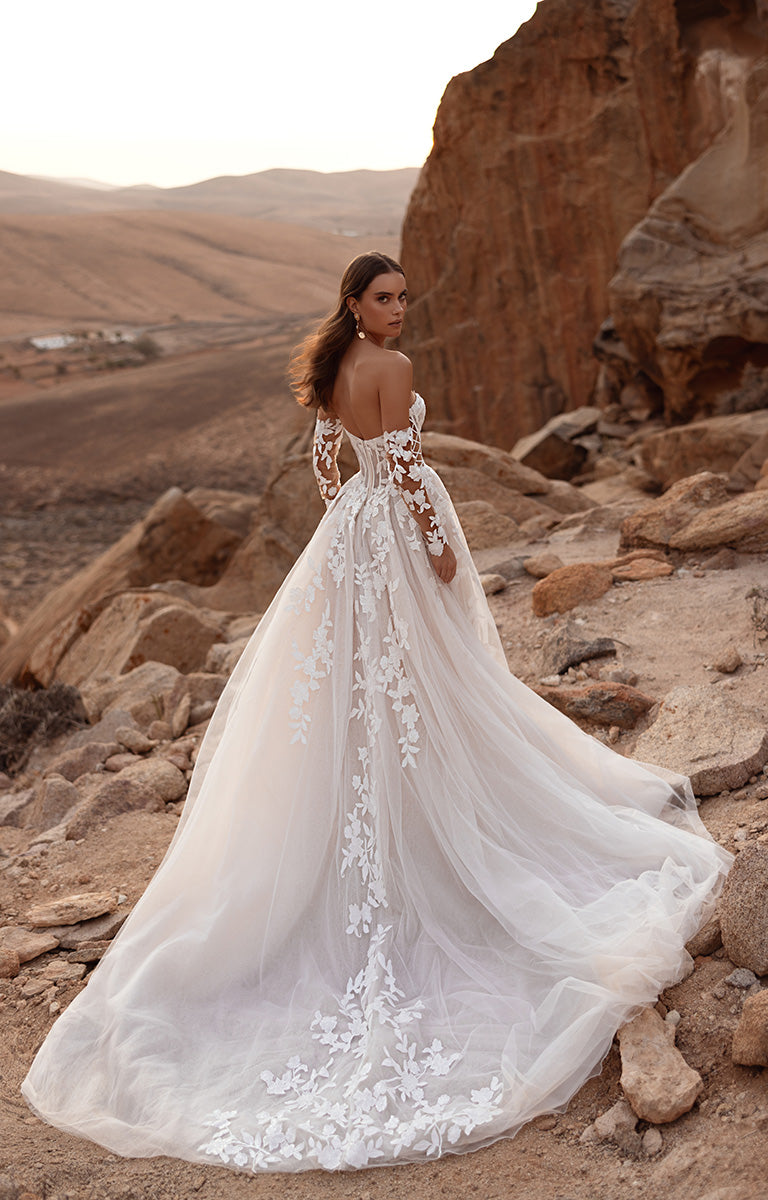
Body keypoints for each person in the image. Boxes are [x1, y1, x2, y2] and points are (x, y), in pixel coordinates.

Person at [23, 251, 731, 1174]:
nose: (400, 312)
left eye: (403, 298)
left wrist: (352, 516)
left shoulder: (332, 370)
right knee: (425, 682)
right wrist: (436, 547)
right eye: (385, 298)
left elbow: (334, 462)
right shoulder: (390, 371)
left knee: (363, 693)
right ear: (356, 304)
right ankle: (434, 823)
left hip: (349, 540)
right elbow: (403, 472)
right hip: (395, 535)